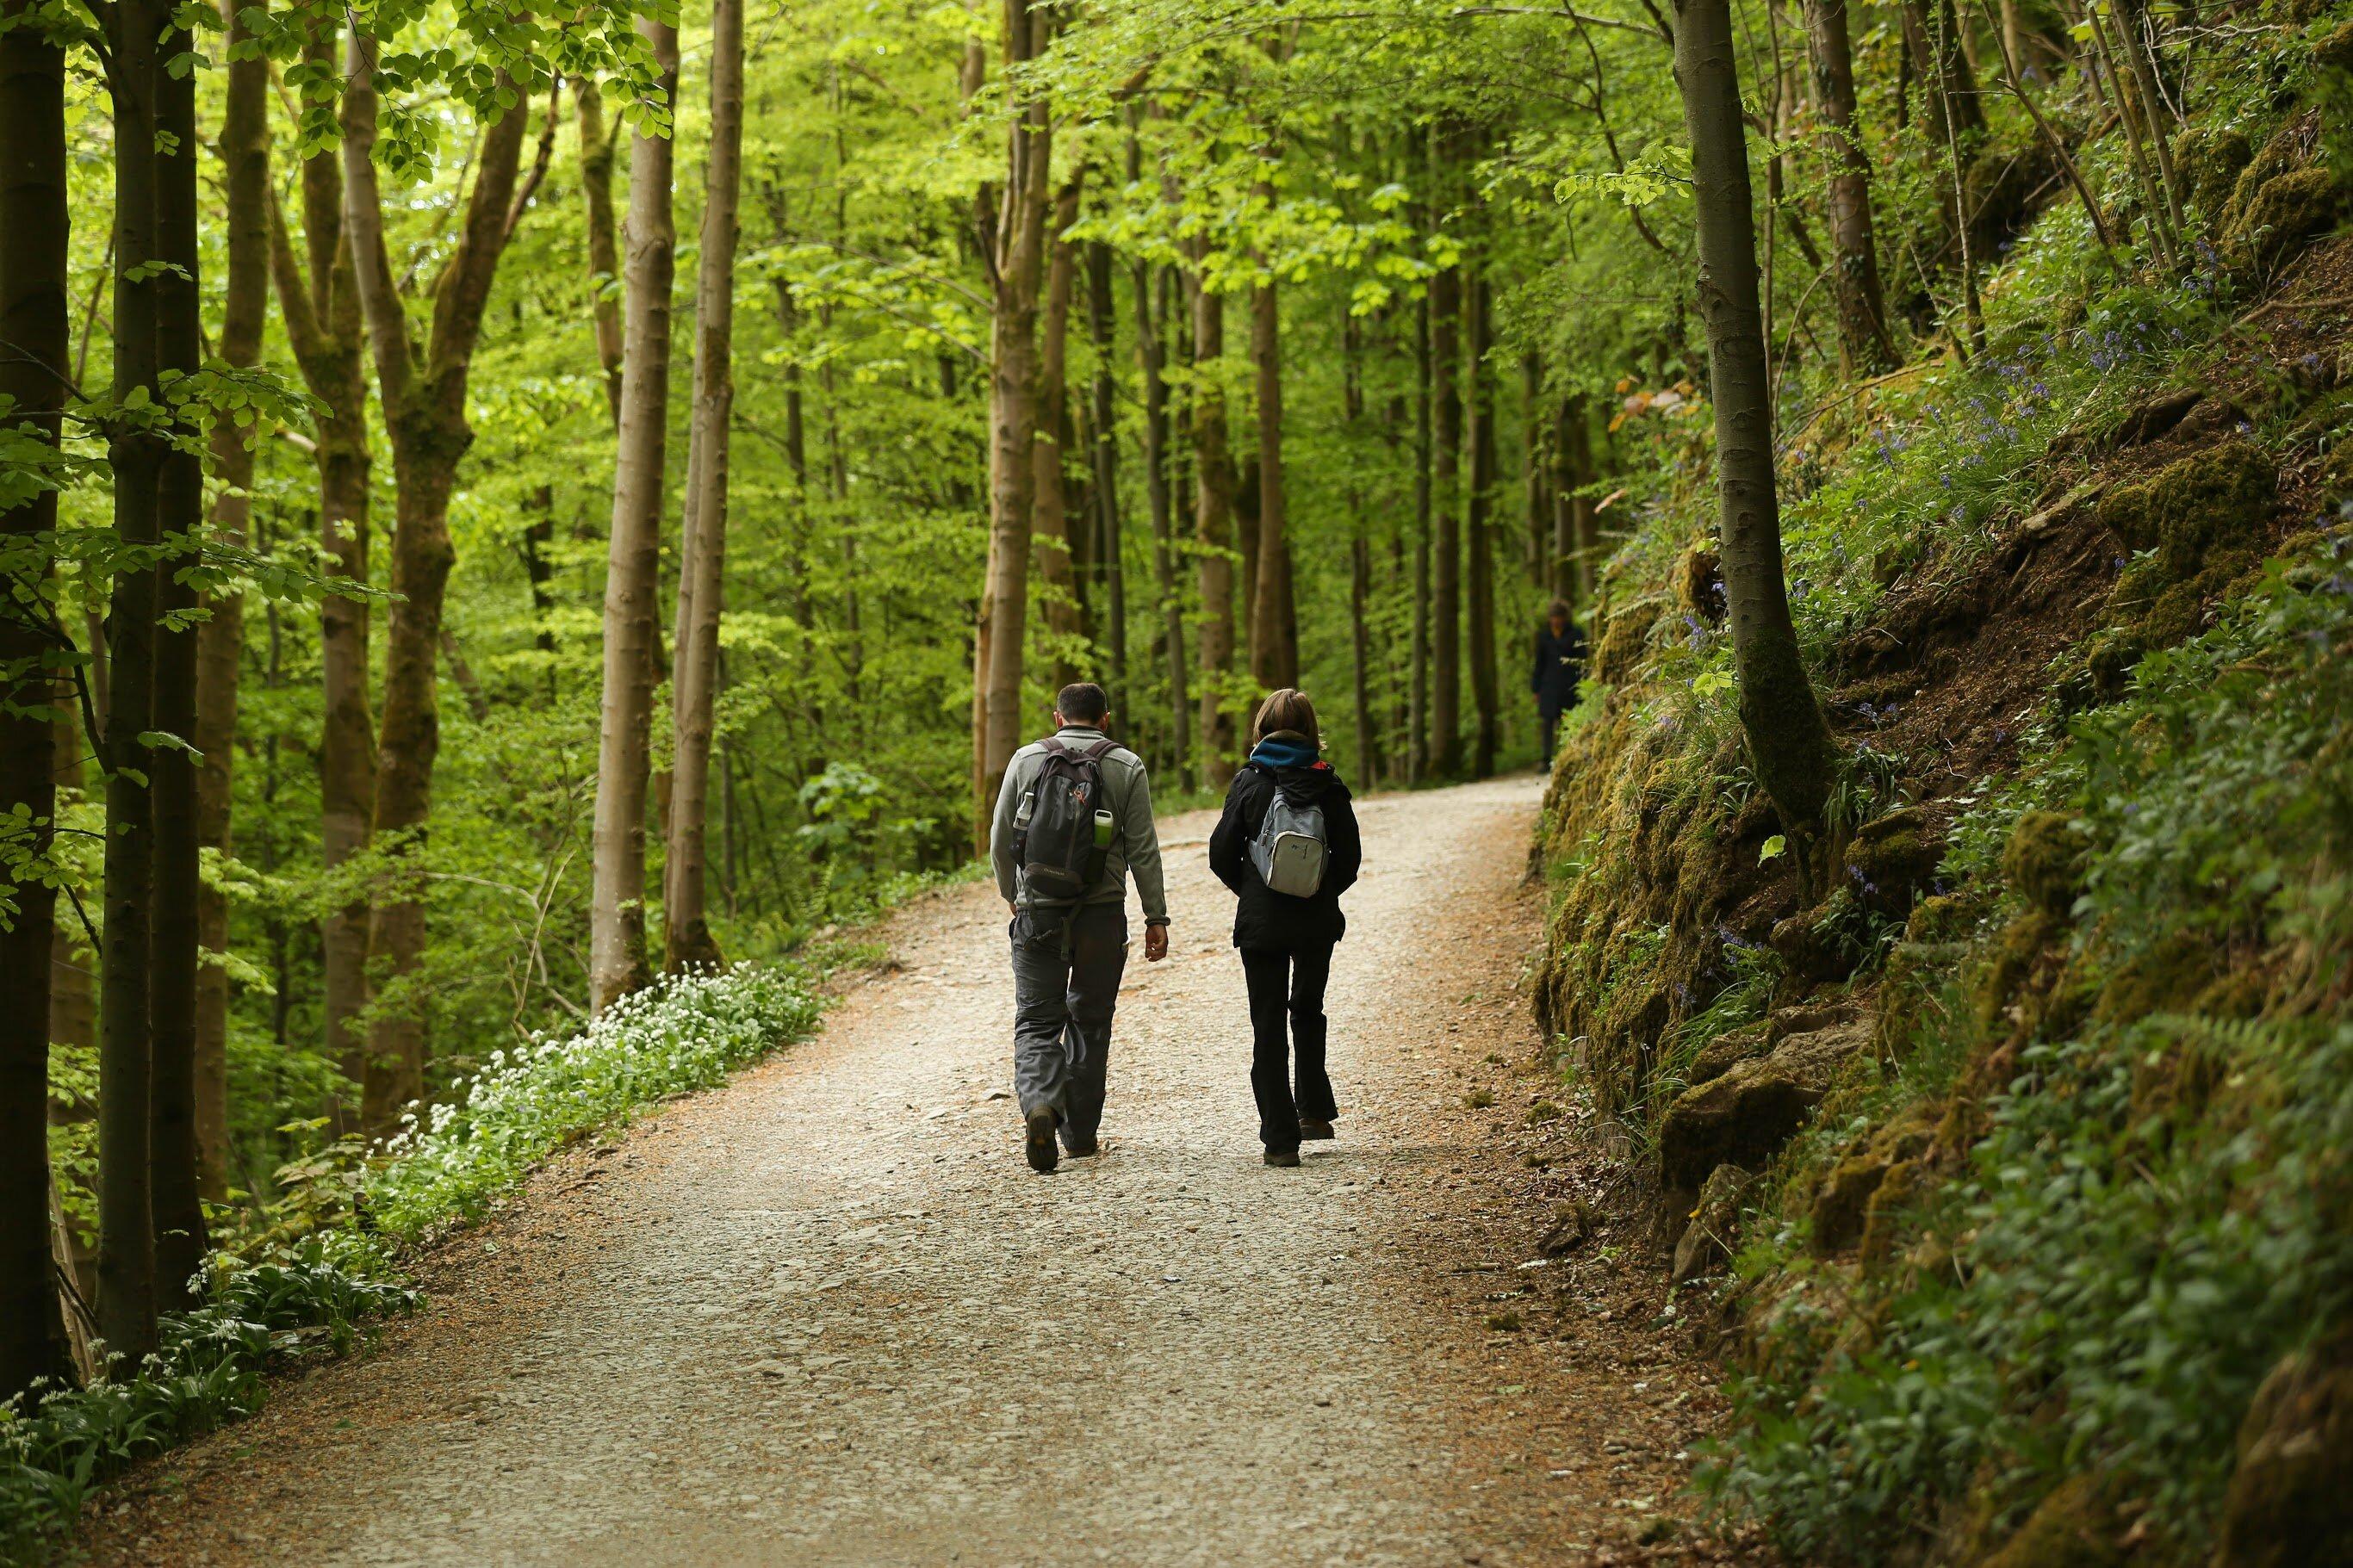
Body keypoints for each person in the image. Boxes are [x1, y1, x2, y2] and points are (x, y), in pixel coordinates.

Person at [990, 682, 1170, 1174]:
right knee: (1090, 1020)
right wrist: (1156, 916)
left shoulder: (1026, 760)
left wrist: (1013, 895)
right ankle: (1081, 1135)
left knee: (1036, 1021)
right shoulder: (1126, 765)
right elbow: (1143, 848)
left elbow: (1000, 838)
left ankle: (1040, 1104)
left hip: (1038, 912)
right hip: (1101, 914)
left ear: (1057, 718)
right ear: (1105, 720)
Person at [1208, 689, 1363, 1168]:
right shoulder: (1328, 784)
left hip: (1262, 925)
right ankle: (1313, 1112)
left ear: (1261, 728)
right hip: (1316, 922)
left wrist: (1255, 890)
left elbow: (1220, 853)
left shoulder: (1249, 782)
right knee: (1309, 1011)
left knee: (1268, 1023)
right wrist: (1318, 890)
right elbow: (1350, 860)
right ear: (1311, 730)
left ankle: (1279, 1140)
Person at [1532, 598, 1586, 759]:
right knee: (1547, 724)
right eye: (1553, 617)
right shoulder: (1544, 637)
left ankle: (1568, 756)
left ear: (1565, 617)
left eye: (1558, 617)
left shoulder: (1576, 634)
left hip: (1569, 686)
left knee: (1568, 722)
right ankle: (1546, 759)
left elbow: (1582, 660)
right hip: (1548, 686)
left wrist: (1583, 683)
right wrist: (1536, 688)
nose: (1555, 621)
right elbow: (1539, 664)